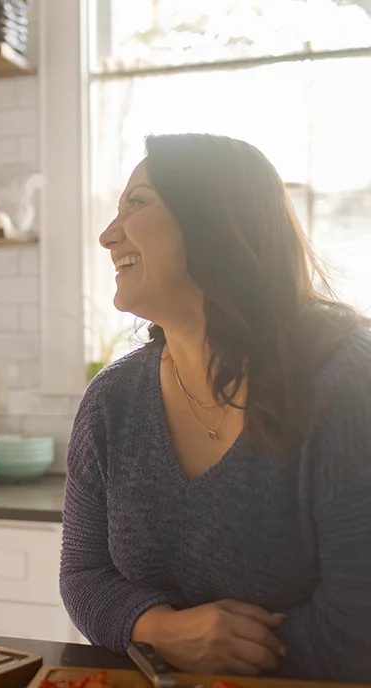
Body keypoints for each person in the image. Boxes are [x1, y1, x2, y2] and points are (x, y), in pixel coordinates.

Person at [61, 133, 371, 681]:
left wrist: (216, 658)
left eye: (137, 204)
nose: (109, 236)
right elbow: (84, 576)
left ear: (216, 220)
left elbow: (358, 625)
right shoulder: (113, 400)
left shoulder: (346, 381)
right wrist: (165, 630)